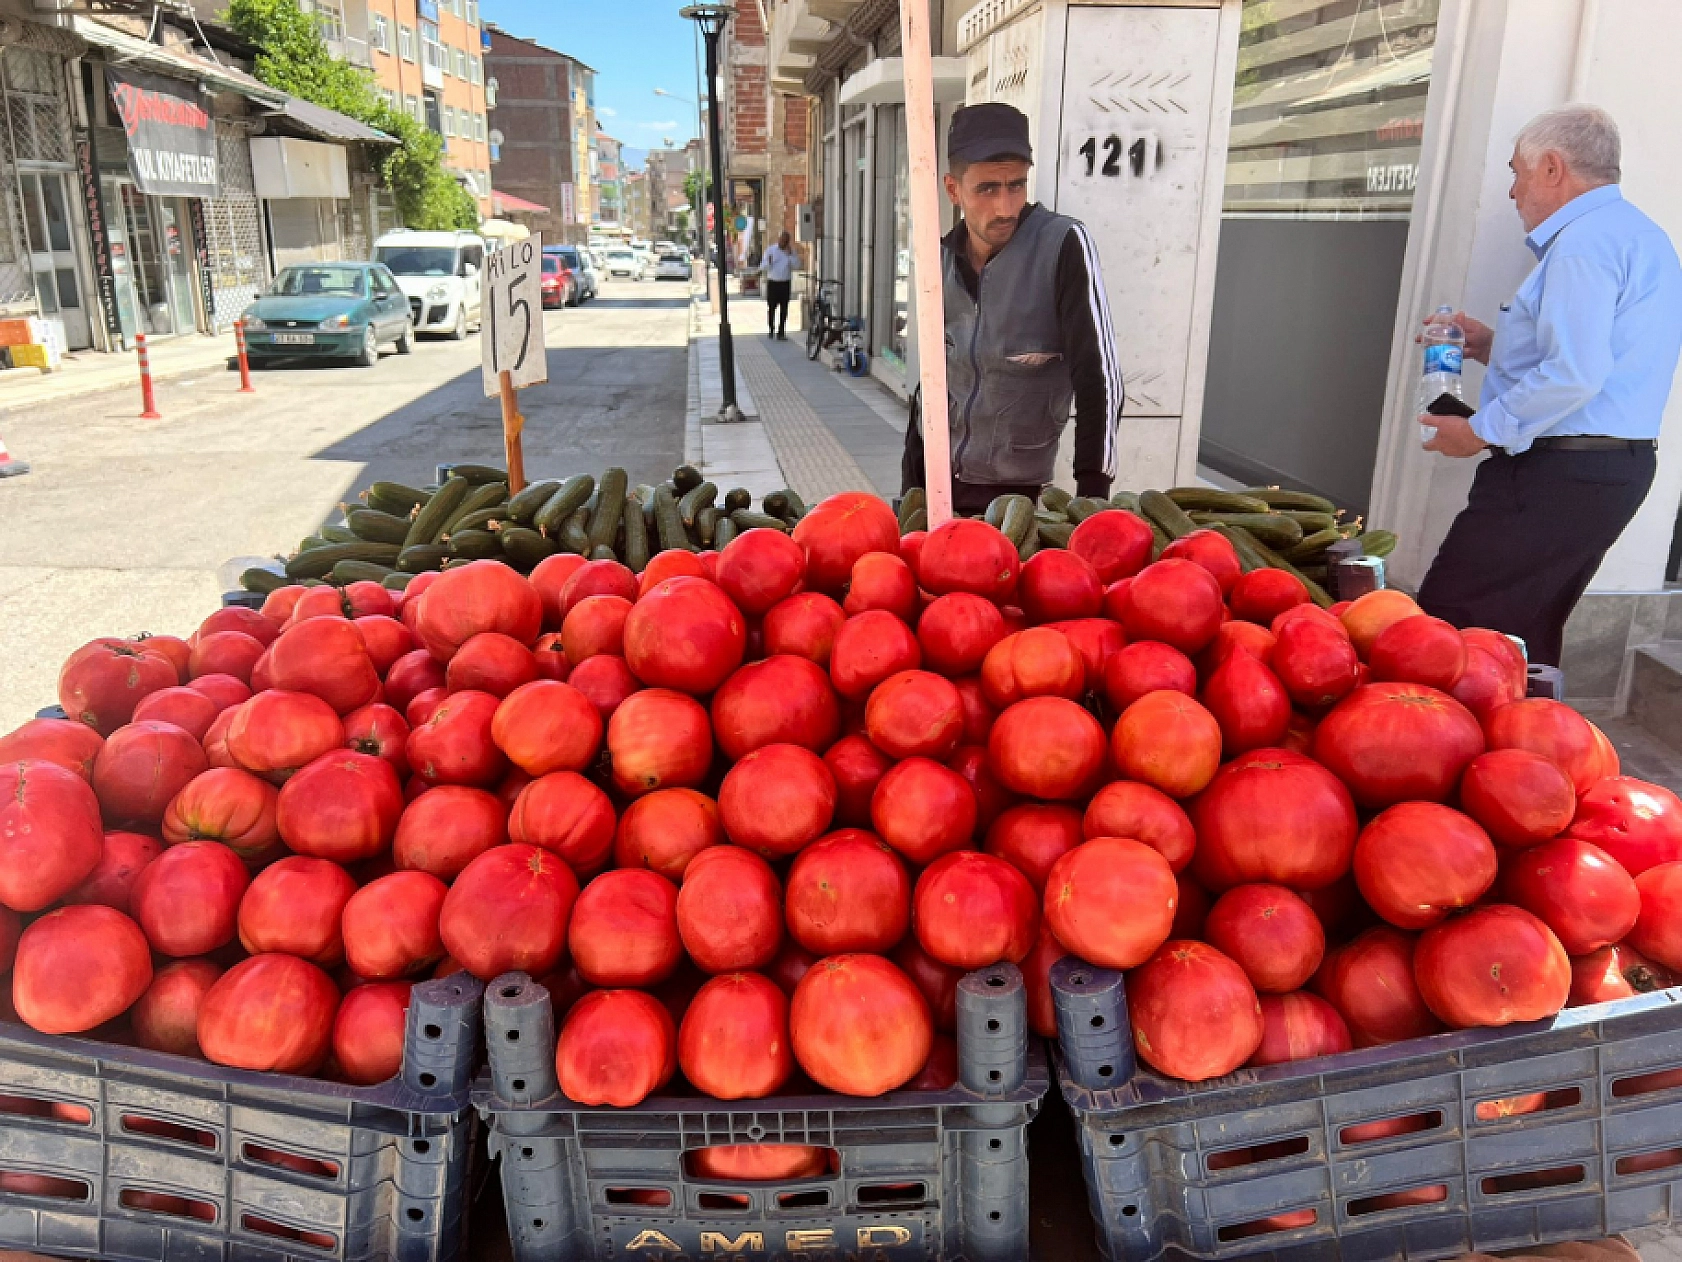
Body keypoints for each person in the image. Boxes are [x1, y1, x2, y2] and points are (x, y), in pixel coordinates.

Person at [1415, 104, 1682, 665]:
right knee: (1521, 638)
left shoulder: (1583, 244)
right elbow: (1598, 361)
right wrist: (1491, 343)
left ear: (1553, 169)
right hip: (1605, 470)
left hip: (1557, 471)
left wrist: (1479, 433)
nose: (1513, 191)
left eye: (1517, 171)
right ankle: (1527, 747)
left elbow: (1574, 374)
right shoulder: (1639, 234)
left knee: (1452, 631)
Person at [901, 102, 1124, 514]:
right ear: (953, 190)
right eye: (987, 189)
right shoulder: (939, 258)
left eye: (1016, 185)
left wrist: (1093, 499)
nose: (1005, 207)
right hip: (930, 472)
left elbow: (1101, 380)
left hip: (1014, 492)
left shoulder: (1063, 246)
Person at [761, 231, 798, 341]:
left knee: (784, 308)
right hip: (773, 283)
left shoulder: (791, 252)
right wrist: (769, 262)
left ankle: (781, 331)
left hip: (785, 283)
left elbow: (796, 265)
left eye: (786, 241)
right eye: (782, 240)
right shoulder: (771, 250)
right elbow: (763, 267)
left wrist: (791, 255)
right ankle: (771, 329)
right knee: (772, 307)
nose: (783, 243)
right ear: (779, 239)